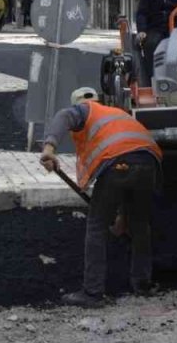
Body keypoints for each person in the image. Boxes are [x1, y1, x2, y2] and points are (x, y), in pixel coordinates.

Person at [40, 87, 162, 307]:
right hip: (149, 161)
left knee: (96, 225)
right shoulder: (116, 113)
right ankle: (142, 283)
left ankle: (93, 292)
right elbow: (130, 160)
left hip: (118, 163)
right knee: (140, 224)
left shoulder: (84, 110)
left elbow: (63, 116)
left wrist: (49, 148)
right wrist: (122, 218)